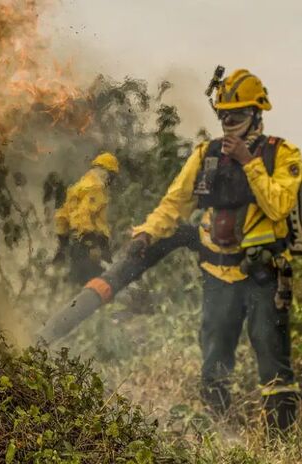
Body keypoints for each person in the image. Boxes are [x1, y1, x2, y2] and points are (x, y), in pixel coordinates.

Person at [131, 69, 302, 432]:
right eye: (223, 115)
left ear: (256, 114)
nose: (228, 122)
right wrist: (147, 233)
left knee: (274, 365)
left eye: (236, 115)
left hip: (265, 277)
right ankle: (223, 435)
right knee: (214, 364)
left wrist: (248, 161)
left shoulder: (281, 154)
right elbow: (174, 204)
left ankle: (279, 439)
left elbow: (278, 206)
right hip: (217, 275)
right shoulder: (205, 155)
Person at [54, 152, 119, 285]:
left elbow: (62, 216)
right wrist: (91, 244)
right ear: (105, 171)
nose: (111, 180)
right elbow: (84, 215)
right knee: (103, 286)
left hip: (76, 244)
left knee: (78, 285)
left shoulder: (79, 186)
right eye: (112, 175)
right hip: (92, 244)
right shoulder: (96, 187)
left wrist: (63, 244)